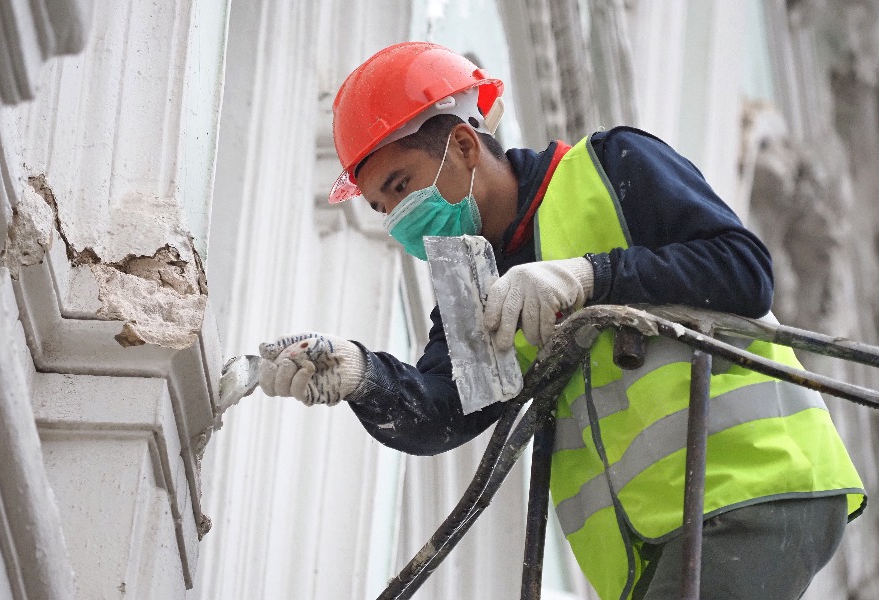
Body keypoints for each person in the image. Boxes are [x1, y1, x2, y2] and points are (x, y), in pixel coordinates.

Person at [257, 42, 865, 600]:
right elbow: (444, 413)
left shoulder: (612, 167)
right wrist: (361, 375)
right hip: (656, 546)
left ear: (465, 146)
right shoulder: (471, 292)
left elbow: (743, 270)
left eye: (401, 185)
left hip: (754, 484)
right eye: (383, 207)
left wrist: (589, 276)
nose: (399, 220)